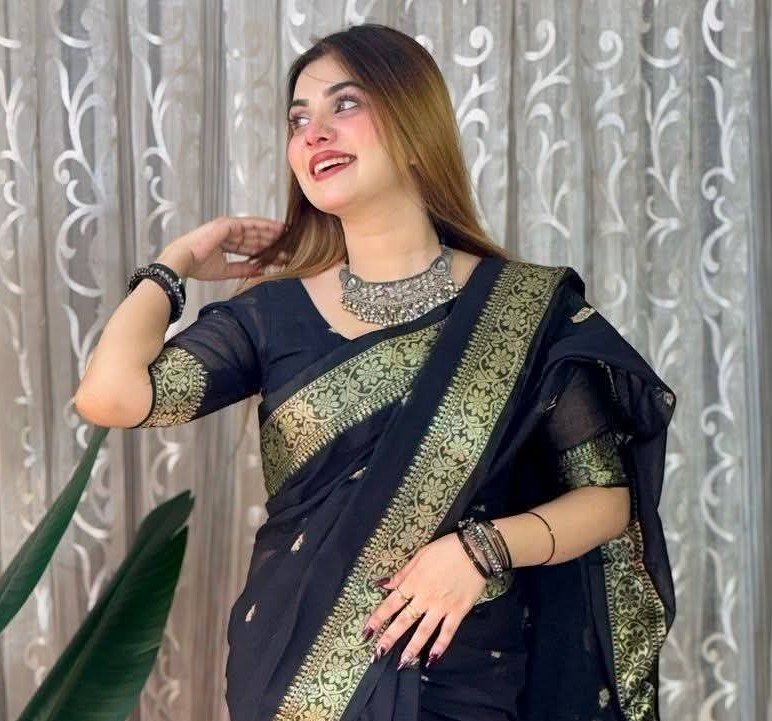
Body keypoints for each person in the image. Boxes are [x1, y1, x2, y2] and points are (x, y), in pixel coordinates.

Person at [74, 23, 676, 721]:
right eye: (299, 119)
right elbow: (110, 396)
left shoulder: (523, 309)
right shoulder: (270, 315)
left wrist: (480, 550)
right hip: (291, 675)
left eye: (345, 104)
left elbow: (605, 500)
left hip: (462, 676)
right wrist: (174, 263)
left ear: (417, 130)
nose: (315, 133)